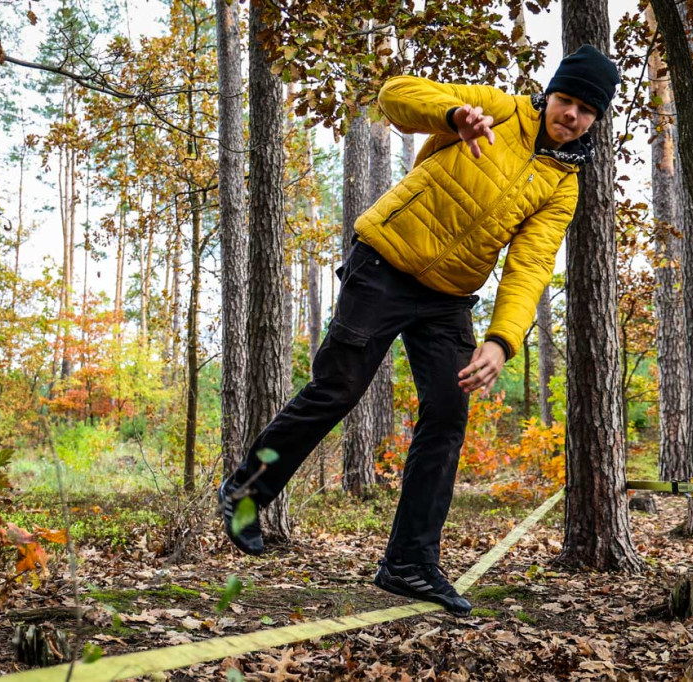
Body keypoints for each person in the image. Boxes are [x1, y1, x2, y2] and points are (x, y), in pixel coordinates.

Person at [219, 44, 620, 616]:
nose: (572, 115)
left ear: (594, 121)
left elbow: (529, 266)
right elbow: (395, 96)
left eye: (586, 109)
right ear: (549, 95)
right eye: (567, 99)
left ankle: (409, 562)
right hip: (385, 263)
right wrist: (452, 116)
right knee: (338, 388)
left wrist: (502, 340)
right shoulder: (499, 110)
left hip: (448, 300)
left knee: (448, 413)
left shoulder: (563, 184)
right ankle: (246, 492)